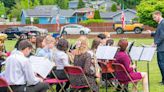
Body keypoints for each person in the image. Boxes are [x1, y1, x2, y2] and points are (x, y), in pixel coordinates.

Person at [147, 10, 164, 85]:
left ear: (158, 15)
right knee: (161, 64)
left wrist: (155, 43)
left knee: (161, 64)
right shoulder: (160, 23)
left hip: (162, 48)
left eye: (154, 17)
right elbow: (158, 33)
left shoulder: (163, 23)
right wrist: (151, 33)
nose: (154, 19)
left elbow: (162, 36)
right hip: (161, 47)